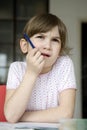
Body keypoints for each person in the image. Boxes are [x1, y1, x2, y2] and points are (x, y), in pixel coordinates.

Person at [4, 13, 76, 123]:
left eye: (55, 40)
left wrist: (21, 117)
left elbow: (66, 113)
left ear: (60, 50)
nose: (47, 46)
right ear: (24, 46)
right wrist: (31, 73)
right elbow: (11, 115)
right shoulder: (16, 68)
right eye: (40, 37)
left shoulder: (64, 64)